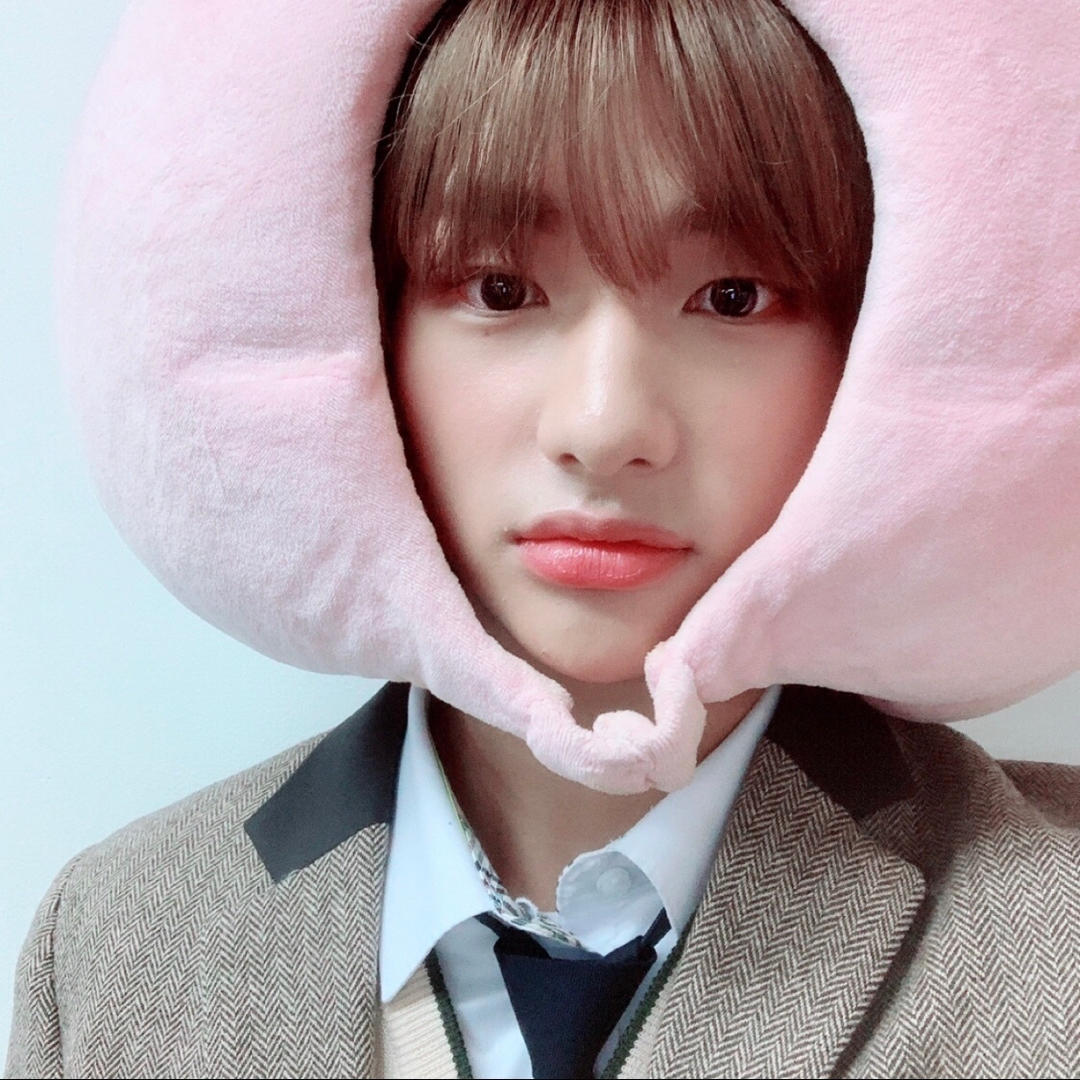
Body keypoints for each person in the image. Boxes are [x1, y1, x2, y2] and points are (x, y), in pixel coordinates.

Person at [7, 0, 1080, 1077]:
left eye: (732, 297)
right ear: (368, 327)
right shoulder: (111, 945)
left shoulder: (1048, 929)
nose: (604, 428)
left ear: (868, 348)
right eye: (501, 289)